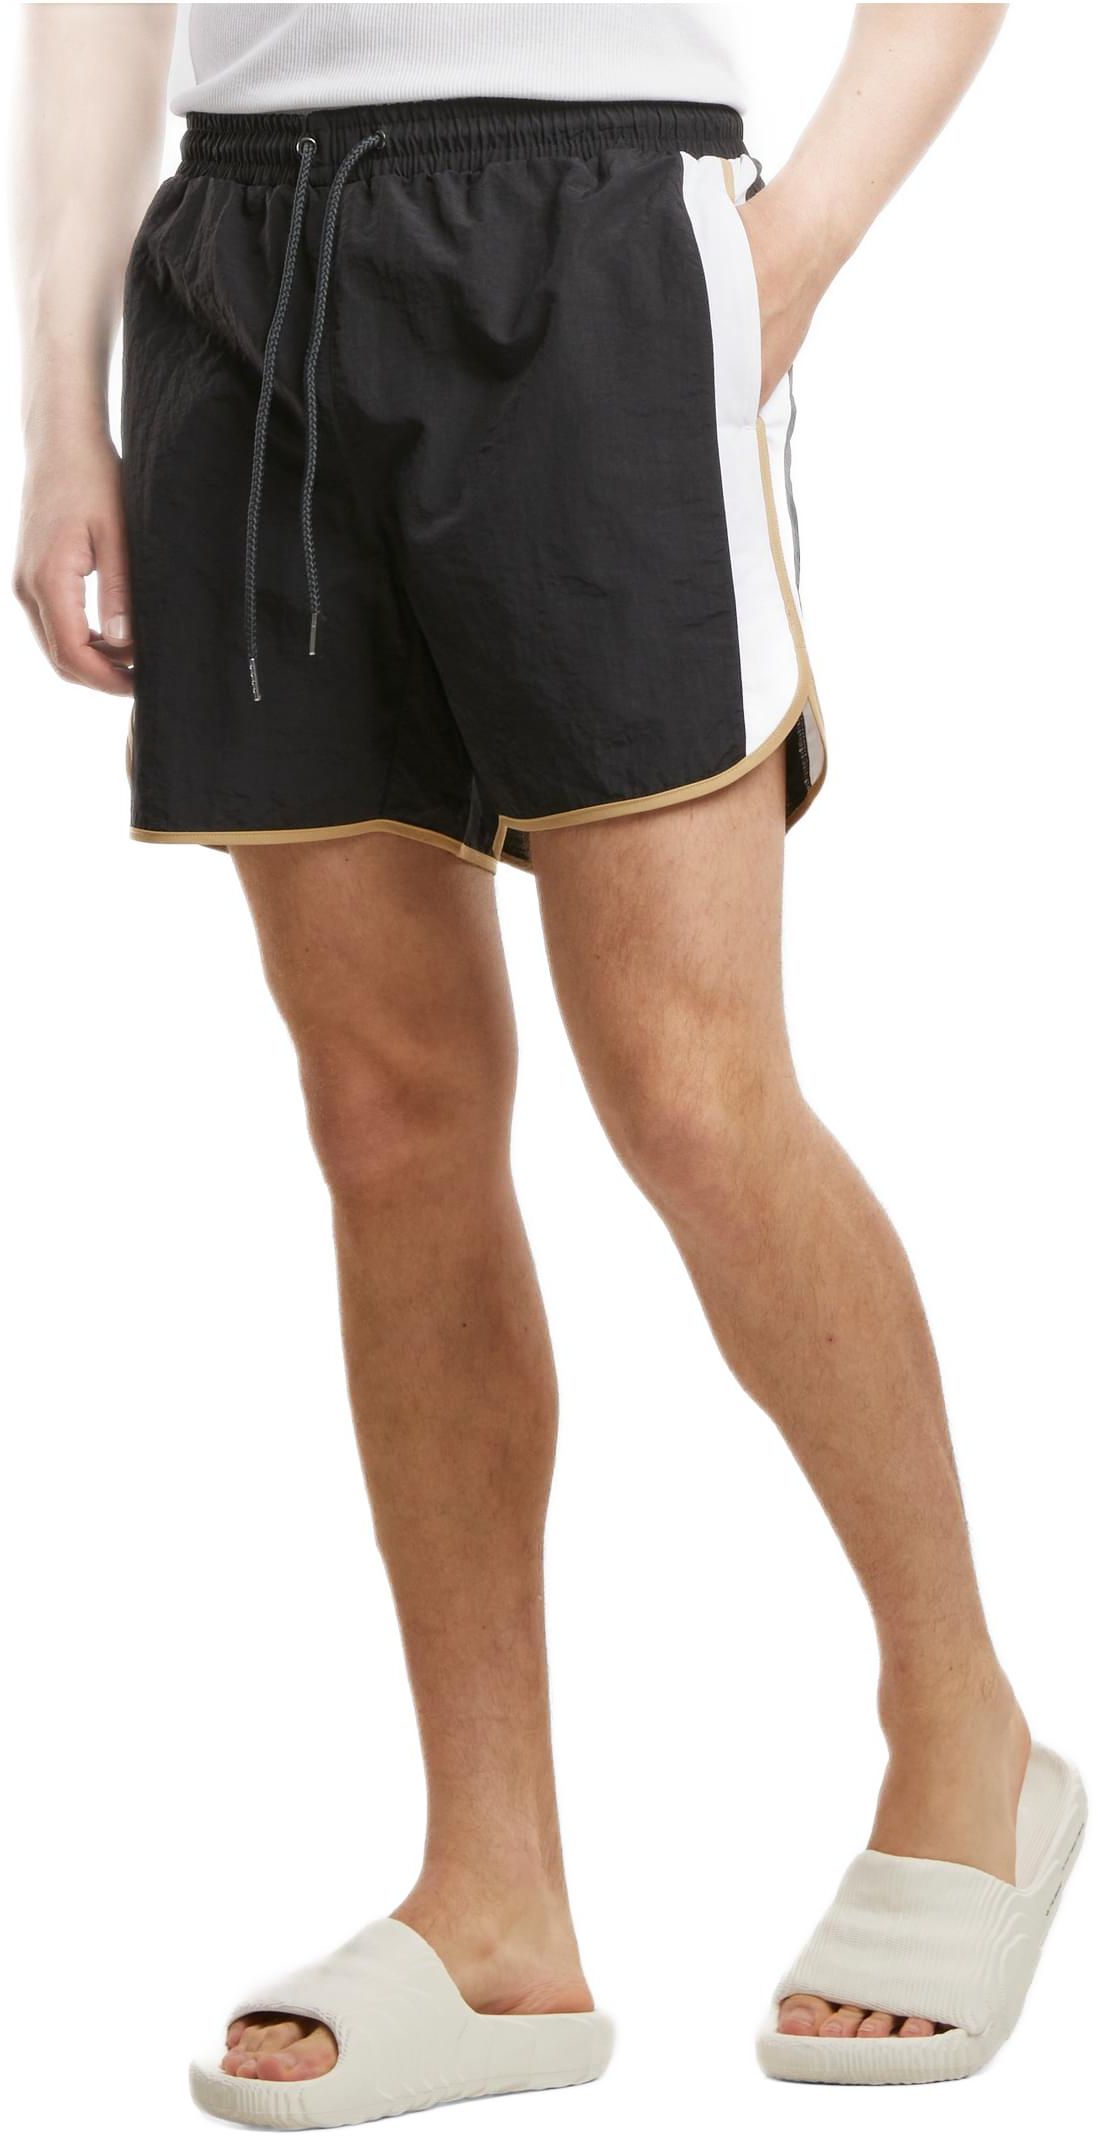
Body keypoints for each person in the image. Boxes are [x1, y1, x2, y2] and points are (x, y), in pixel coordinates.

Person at [13, 1, 1084, 2120]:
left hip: (591, 221)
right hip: (238, 256)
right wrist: (60, 399)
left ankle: (962, 1729)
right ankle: (496, 1909)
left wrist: (798, 245)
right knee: (386, 1119)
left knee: (690, 1092)